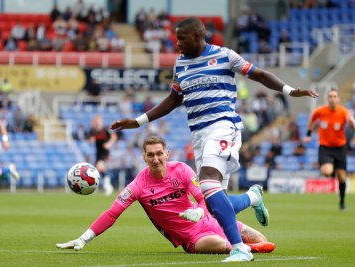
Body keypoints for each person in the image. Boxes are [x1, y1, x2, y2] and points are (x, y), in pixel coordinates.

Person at [110, 17, 318, 262]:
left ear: (198, 36)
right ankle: (252, 197)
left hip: (222, 126)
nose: (176, 44)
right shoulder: (180, 65)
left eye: (181, 38)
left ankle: (239, 249)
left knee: (208, 182)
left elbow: (259, 74)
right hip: (198, 134)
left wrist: (289, 90)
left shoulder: (225, 55)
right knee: (212, 204)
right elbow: (173, 100)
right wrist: (138, 121)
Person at [56, 137, 275, 254]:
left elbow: (202, 198)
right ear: (144, 157)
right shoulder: (137, 186)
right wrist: (85, 237)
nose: (155, 158)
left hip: (211, 221)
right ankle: (240, 245)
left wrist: (199, 211)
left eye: (159, 153)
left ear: (166, 153)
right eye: (150, 155)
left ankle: (250, 211)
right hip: (192, 239)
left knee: (262, 240)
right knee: (218, 244)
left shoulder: (182, 169)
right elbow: (112, 214)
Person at [304, 88, 355, 210]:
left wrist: (352, 124)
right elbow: (312, 120)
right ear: (328, 99)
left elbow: (352, 122)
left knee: (342, 177)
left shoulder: (343, 111)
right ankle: (333, 169)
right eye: (330, 96)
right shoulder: (320, 111)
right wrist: (308, 134)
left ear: (338, 99)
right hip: (325, 147)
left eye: (334, 96)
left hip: (340, 147)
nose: (332, 99)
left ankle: (342, 202)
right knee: (326, 172)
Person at [88, 114, 117, 195]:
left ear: (101, 121)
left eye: (99, 121)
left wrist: (109, 144)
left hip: (105, 152)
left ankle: (106, 186)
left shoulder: (106, 129)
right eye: (96, 121)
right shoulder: (93, 131)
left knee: (99, 166)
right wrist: (91, 140)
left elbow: (114, 136)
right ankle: (107, 186)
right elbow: (90, 139)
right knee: (98, 170)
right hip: (98, 153)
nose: (98, 123)